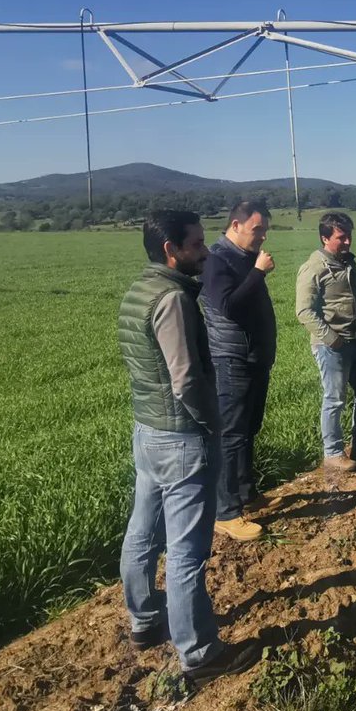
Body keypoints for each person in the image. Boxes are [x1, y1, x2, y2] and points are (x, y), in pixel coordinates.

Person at [117, 210, 260, 683]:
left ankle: (143, 621)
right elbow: (185, 379)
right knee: (186, 551)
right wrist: (212, 426)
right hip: (181, 437)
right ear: (169, 250)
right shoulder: (173, 300)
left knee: (142, 531)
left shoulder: (138, 291)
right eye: (196, 245)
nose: (204, 252)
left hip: (148, 432)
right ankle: (199, 653)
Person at [201, 199, 277, 541]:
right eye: (256, 229)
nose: (262, 236)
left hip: (254, 357)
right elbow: (228, 305)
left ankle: (247, 492)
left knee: (249, 427)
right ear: (235, 225)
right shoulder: (217, 259)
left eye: (264, 230)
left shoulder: (243, 257)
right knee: (231, 434)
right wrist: (258, 272)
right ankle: (226, 511)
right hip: (231, 359)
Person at [296, 211, 356, 474]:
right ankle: (333, 453)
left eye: (349, 236)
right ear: (324, 238)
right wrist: (332, 340)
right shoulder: (315, 268)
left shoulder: (348, 263)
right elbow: (304, 311)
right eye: (341, 237)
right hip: (333, 346)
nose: (347, 242)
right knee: (335, 400)